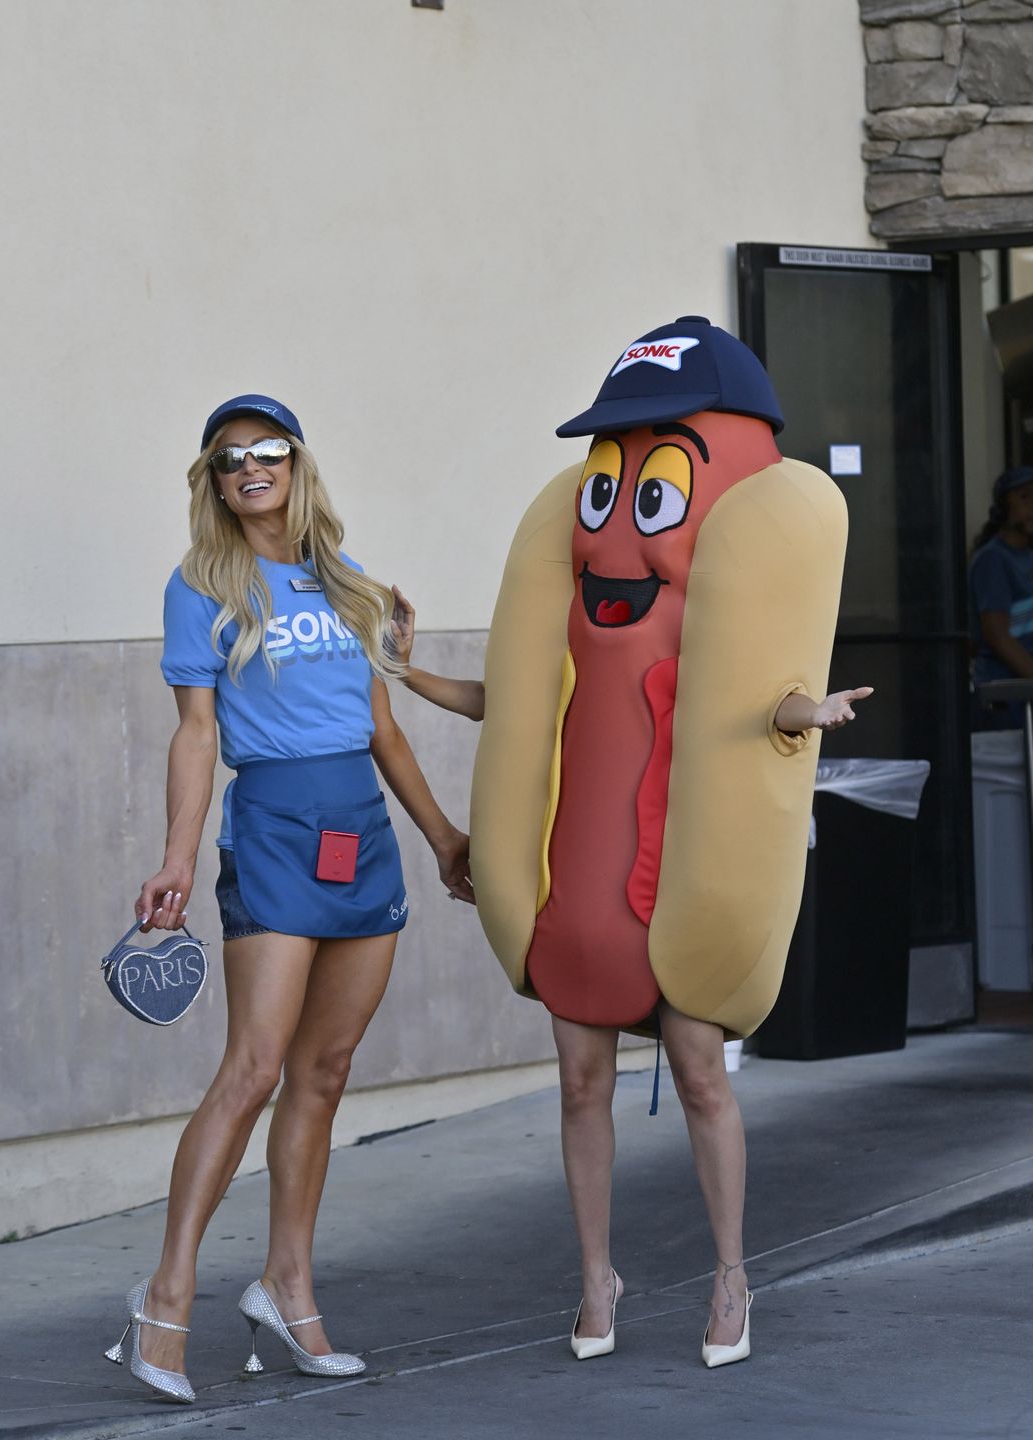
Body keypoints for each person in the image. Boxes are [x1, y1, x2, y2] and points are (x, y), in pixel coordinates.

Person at [389, 316, 871, 1371]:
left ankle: (732, 1274)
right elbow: (509, 705)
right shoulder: (568, 602)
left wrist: (808, 713)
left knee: (701, 1074)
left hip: (678, 881)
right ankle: (595, 1277)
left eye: (651, 487)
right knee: (579, 1082)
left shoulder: (727, 590)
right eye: (609, 483)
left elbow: (758, 701)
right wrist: (411, 673)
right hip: (581, 886)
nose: (616, 527)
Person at [105, 394, 471, 1404]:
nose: (249, 467)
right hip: (272, 832)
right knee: (255, 1066)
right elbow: (195, 732)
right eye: (230, 459)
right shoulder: (201, 584)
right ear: (215, 482)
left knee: (328, 1066)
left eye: (266, 451)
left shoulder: (347, 584)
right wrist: (177, 854)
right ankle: (165, 1295)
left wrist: (443, 840)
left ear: (296, 465)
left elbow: (383, 727)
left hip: (365, 832)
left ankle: (288, 1287)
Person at [969, 465, 1033, 729]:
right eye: (1025, 497)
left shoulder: (1028, 554)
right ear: (1004, 508)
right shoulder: (993, 559)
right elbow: (998, 637)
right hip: (1008, 696)